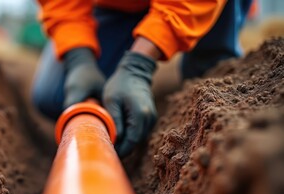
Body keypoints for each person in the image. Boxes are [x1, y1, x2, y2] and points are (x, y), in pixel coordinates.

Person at [32, 0, 252, 157]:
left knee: (210, 75)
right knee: (54, 97)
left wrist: (139, 64)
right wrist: (79, 58)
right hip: (117, 6)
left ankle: (209, 67)